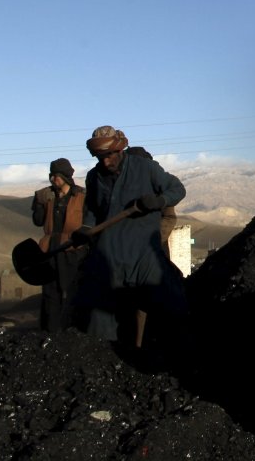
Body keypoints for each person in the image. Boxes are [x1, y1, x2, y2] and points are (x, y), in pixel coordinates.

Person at [72, 126, 189, 360]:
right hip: (109, 254)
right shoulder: (94, 177)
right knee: (99, 313)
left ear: (120, 149)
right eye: (100, 158)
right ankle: (105, 362)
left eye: (110, 156)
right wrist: (86, 229)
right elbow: (94, 211)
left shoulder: (145, 169)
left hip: (144, 252)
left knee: (172, 306)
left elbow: (177, 189)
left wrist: (159, 200)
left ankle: (178, 358)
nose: (106, 162)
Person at [30, 158, 86, 332]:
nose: (54, 179)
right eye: (52, 175)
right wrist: (39, 204)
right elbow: (38, 221)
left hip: (72, 249)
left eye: (58, 176)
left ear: (67, 177)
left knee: (73, 291)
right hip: (50, 249)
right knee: (50, 293)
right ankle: (50, 332)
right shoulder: (46, 197)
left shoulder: (81, 196)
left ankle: (74, 329)